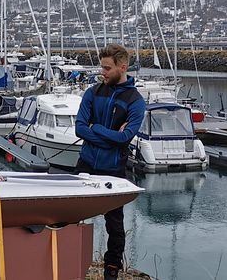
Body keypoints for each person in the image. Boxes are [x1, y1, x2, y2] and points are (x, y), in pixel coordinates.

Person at [75, 44, 146, 280]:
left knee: (114, 226)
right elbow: (80, 129)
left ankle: (111, 273)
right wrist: (111, 137)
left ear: (122, 67)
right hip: (85, 165)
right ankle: (67, 263)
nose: (102, 72)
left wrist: (97, 129)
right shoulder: (93, 92)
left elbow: (126, 137)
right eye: (102, 67)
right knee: (69, 216)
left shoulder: (135, 101)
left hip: (113, 170)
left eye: (107, 68)